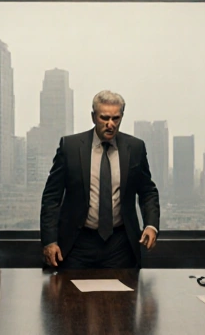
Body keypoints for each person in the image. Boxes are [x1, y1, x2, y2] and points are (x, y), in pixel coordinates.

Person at [40, 90, 160, 269]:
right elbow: (51, 198)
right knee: (70, 296)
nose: (110, 124)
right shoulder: (70, 147)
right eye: (104, 118)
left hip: (120, 243)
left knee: (122, 296)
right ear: (93, 117)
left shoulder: (135, 148)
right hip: (77, 243)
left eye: (116, 118)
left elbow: (148, 191)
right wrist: (49, 241)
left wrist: (151, 225)